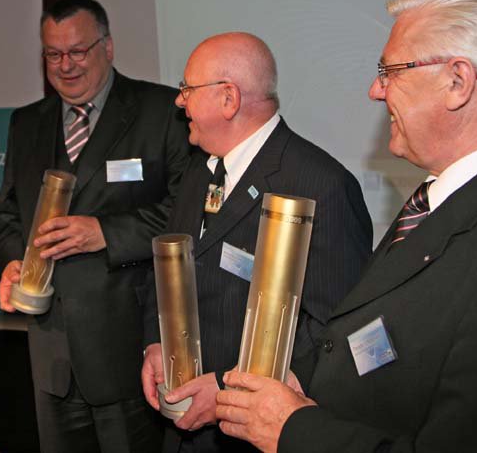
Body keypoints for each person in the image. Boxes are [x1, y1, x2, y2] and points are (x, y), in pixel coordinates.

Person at [214, 0, 477, 453]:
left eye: (390, 71)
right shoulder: (455, 193)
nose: (375, 90)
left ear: (458, 82)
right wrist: (302, 379)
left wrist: (293, 429)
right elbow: (390, 329)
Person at [141, 32, 372, 452]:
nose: (179, 101)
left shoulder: (322, 185)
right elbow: (169, 270)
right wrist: (156, 342)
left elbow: (334, 329)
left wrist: (228, 388)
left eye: (187, 89)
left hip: (254, 435)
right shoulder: (200, 170)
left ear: (228, 98)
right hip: (183, 424)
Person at [0, 0, 190, 453]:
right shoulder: (26, 122)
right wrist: (14, 261)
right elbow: (7, 214)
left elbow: (187, 214)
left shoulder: (162, 111)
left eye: (78, 51)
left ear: (108, 46)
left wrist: (106, 233)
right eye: (53, 54)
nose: (66, 65)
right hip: (51, 352)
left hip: (129, 350)